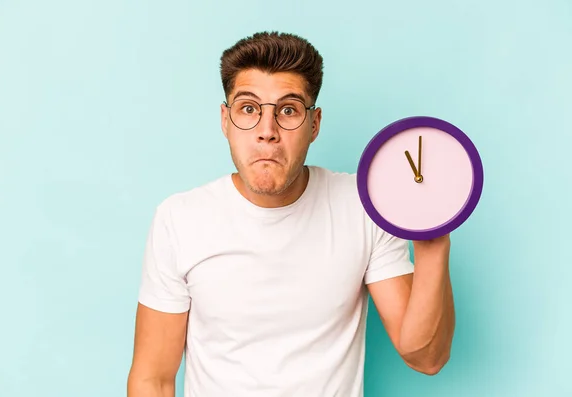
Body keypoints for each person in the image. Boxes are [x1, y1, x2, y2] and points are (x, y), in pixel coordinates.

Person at [127, 31, 455, 397]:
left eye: (288, 110)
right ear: (225, 120)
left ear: (314, 124)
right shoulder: (180, 219)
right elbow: (152, 378)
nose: (268, 133)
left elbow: (426, 357)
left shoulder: (363, 208)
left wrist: (434, 238)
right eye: (249, 109)